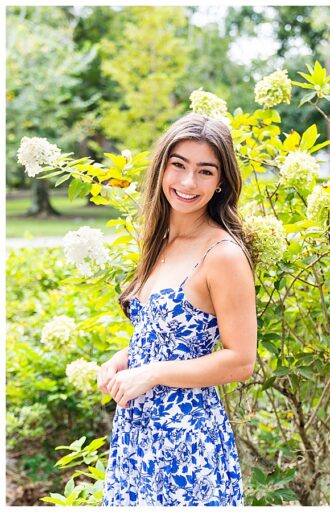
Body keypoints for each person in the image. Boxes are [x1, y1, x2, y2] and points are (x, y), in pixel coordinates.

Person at [96, 114, 257, 505]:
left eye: (205, 171)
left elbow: (241, 361)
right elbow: (166, 333)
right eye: (179, 165)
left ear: (221, 182)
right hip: (137, 432)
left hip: (187, 440)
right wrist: (124, 358)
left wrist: (151, 373)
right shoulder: (160, 241)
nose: (188, 183)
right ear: (162, 166)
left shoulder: (223, 255)